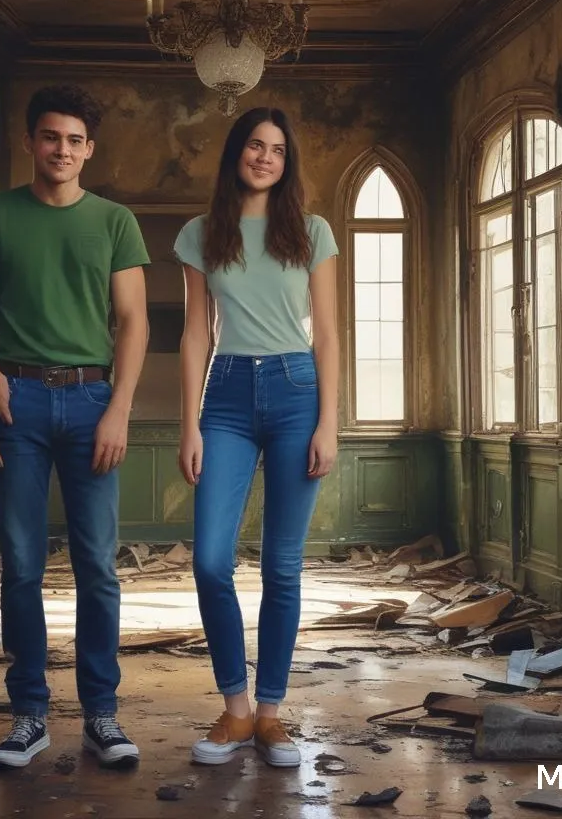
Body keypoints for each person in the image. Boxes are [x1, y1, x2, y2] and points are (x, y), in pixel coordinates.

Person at [0, 84, 149, 771]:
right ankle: (28, 716)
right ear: (31, 141)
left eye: (74, 139)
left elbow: (133, 321)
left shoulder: (114, 221)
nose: (61, 149)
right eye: (50, 137)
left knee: (98, 567)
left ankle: (101, 714)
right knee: (21, 567)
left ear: (88, 149)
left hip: (93, 399)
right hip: (21, 402)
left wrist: (120, 408)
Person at [174, 106, 339, 769]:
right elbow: (193, 334)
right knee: (211, 560)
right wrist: (188, 421)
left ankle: (270, 714)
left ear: (286, 159)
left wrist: (329, 421)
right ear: (236, 153)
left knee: (282, 566)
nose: (264, 156)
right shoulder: (201, 234)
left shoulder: (312, 231)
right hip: (228, 396)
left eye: (275, 148)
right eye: (253, 145)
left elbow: (327, 333)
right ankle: (235, 709)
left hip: (298, 391)